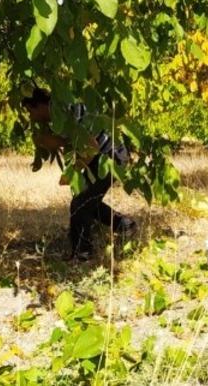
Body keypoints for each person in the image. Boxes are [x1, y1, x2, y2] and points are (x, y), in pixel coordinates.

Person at [21, 88, 136, 260]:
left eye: (30, 111)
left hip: (110, 157)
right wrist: (52, 141)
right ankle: (125, 225)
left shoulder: (66, 112)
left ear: (39, 106)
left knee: (80, 203)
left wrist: (73, 172)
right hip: (101, 156)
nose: (31, 117)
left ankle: (83, 254)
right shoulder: (60, 115)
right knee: (88, 201)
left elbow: (91, 147)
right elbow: (75, 139)